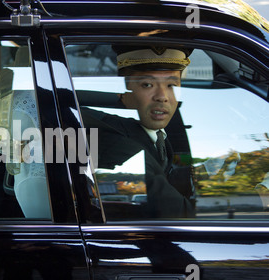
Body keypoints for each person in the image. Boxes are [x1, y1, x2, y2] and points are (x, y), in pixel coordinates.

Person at [82, 45, 195, 218]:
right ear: (128, 88)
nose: (162, 96)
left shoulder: (157, 137)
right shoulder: (122, 147)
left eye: (172, 85)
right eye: (147, 84)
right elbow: (178, 214)